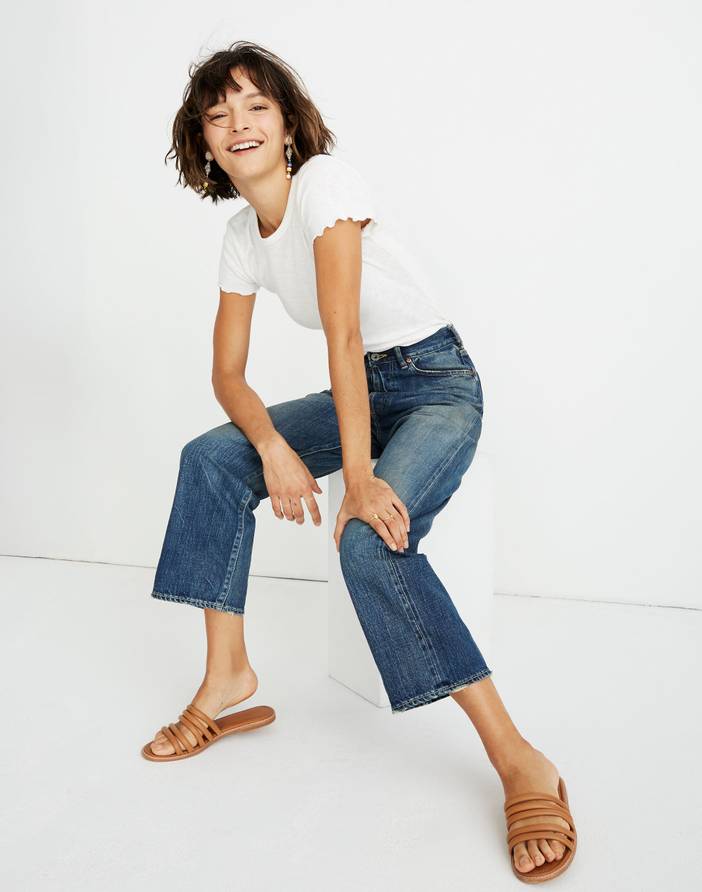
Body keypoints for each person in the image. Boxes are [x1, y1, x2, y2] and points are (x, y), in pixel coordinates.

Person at [142, 41, 577, 883]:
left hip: (436, 384)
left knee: (369, 541)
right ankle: (227, 674)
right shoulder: (241, 236)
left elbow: (344, 334)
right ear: (203, 141)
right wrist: (272, 447)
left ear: (288, 125)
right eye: (218, 114)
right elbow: (227, 376)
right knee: (212, 459)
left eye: (256, 106)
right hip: (364, 392)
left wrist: (360, 477)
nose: (239, 123)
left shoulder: (326, 185)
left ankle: (518, 756)